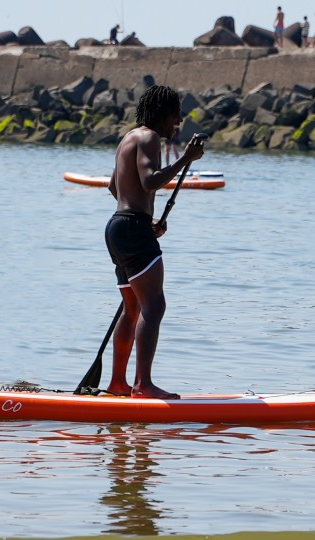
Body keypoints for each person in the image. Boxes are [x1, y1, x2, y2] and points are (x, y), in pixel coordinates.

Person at [104, 85, 204, 400]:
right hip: (132, 229)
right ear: (162, 113)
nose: (178, 123)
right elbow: (149, 181)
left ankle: (118, 383)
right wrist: (186, 158)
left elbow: (113, 186)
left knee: (132, 307)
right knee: (154, 305)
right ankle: (143, 385)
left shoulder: (129, 138)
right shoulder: (148, 138)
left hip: (118, 226)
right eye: (176, 116)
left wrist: (143, 218)